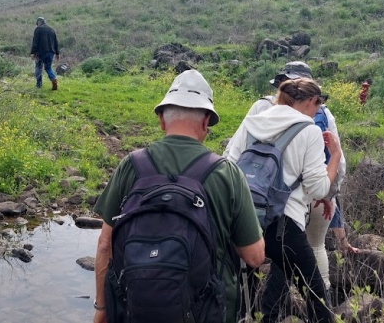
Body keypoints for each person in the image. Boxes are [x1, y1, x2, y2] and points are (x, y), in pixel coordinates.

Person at [93, 69, 265, 323]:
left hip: (136, 311)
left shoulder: (131, 166)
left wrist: (101, 308)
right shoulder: (227, 173)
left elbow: (105, 245)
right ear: (206, 121)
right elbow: (254, 257)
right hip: (206, 314)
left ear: (162, 119)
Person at [225, 77, 341, 323]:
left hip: (242, 218)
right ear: (311, 101)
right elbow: (318, 188)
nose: (319, 110)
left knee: (241, 295)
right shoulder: (308, 129)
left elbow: (229, 163)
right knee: (316, 295)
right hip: (283, 224)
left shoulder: (252, 122)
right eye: (319, 104)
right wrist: (335, 156)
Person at [30, 17, 59, 90]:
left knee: (38, 67)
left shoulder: (38, 29)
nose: (37, 25)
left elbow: (35, 42)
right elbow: (56, 42)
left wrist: (33, 52)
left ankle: (38, 85)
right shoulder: (51, 29)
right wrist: (57, 53)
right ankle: (53, 79)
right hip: (51, 52)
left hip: (40, 52)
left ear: (39, 22)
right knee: (48, 67)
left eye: (37, 24)